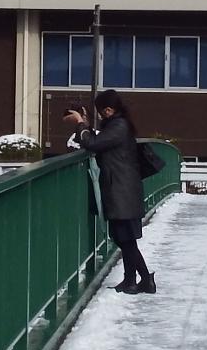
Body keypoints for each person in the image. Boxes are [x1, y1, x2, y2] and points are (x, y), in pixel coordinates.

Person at [65, 89, 155, 294]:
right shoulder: (118, 125)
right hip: (122, 191)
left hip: (122, 192)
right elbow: (96, 142)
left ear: (108, 110)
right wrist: (85, 124)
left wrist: (80, 123)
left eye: (99, 111)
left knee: (126, 239)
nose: (99, 115)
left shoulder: (119, 126)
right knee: (123, 238)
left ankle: (145, 280)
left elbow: (92, 143)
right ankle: (131, 279)